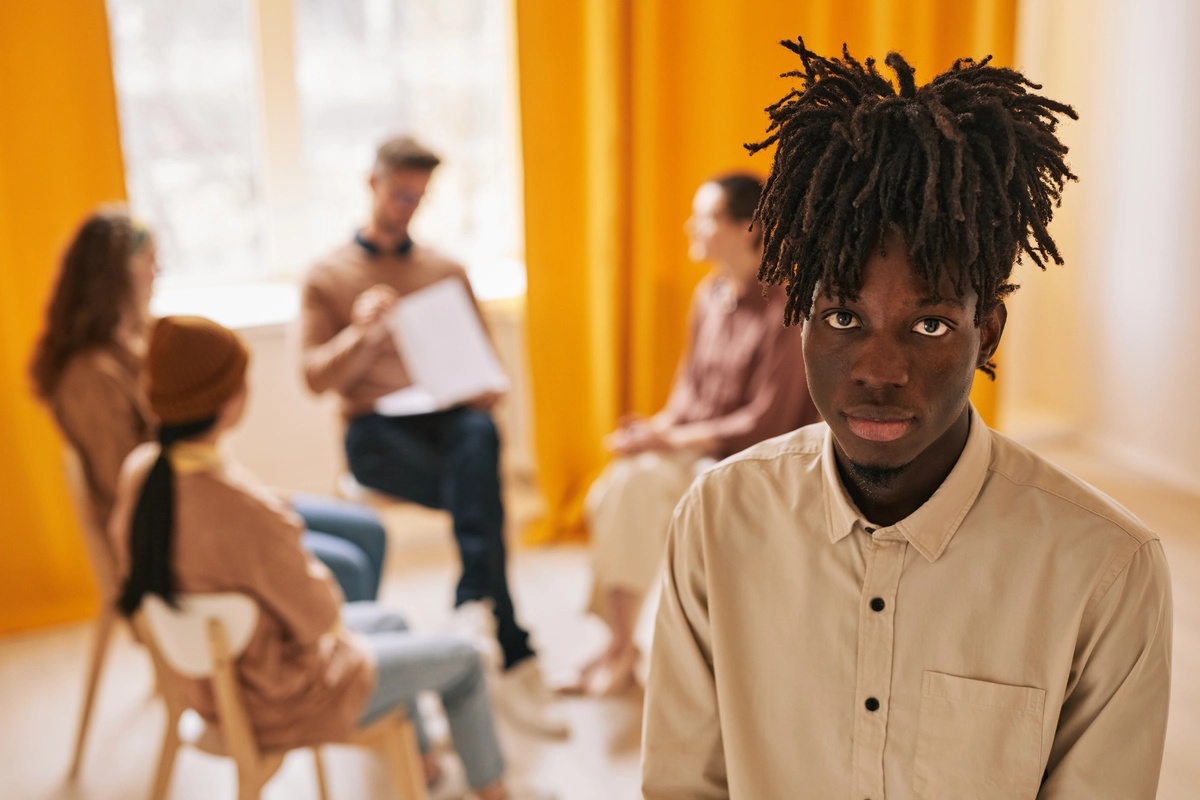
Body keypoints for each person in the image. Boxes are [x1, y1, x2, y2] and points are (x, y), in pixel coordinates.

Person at [642, 40, 1172, 799]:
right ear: (799, 319)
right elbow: (680, 785)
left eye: (927, 326)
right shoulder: (718, 520)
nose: (879, 370)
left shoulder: (1106, 568)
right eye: (843, 316)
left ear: (986, 332)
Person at [108, 315, 549, 800]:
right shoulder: (241, 514)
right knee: (464, 662)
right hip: (286, 696)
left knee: (393, 621)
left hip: (215, 683)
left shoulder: (141, 472)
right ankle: (496, 794)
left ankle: (420, 766)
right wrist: (293, 544)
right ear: (228, 401)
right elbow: (320, 617)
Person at [299, 135, 566, 737]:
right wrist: (361, 337)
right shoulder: (327, 275)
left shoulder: (444, 270)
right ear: (372, 184)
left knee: (477, 431)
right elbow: (314, 379)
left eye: (419, 198)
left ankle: (481, 615)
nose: (407, 208)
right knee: (482, 500)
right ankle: (509, 640)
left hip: (445, 421)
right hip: (373, 432)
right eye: (399, 194)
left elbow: (488, 375)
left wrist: (479, 386)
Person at [30, 208, 388, 602]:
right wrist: (239, 507)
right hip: (171, 532)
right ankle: (320, 656)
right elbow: (131, 483)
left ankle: (352, 644)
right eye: (150, 262)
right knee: (346, 566)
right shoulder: (89, 376)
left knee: (366, 531)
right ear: (116, 274)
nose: (158, 272)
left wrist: (245, 496)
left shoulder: (149, 339)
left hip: (209, 496)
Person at [573, 173, 819, 697]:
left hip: (756, 459)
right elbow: (686, 397)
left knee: (640, 489)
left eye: (704, 217)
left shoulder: (791, 306)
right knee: (617, 485)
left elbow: (765, 423)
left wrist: (668, 443)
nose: (690, 226)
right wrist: (653, 430)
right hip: (697, 447)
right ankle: (621, 644)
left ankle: (623, 649)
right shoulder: (709, 294)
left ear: (747, 226)